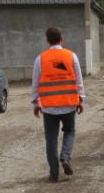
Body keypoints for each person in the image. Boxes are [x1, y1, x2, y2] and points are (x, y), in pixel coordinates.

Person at [31, 27, 85, 182]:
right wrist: (80, 99)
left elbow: (35, 84)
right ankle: (65, 157)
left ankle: (54, 174)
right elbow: (79, 81)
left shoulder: (40, 59)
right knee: (69, 131)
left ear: (47, 40)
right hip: (68, 104)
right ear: (62, 39)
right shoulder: (71, 56)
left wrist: (36, 103)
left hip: (49, 107)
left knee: (51, 140)